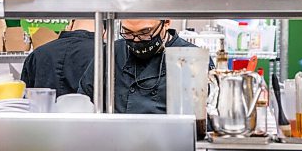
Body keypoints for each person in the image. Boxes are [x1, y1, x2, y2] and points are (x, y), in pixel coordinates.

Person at [78, 19, 214, 113]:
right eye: (128, 32)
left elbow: (205, 115)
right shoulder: (111, 52)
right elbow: (84, 98)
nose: (136, 40)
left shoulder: (192, 58)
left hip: (170, 147)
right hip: (117, 145)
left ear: (166, 23)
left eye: (144, 33)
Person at [21, 19, 95, 97]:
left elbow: (23, 101)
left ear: (69, 25)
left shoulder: (37, 54)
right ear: (105, 31)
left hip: (43, 108)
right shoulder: (103, 56)